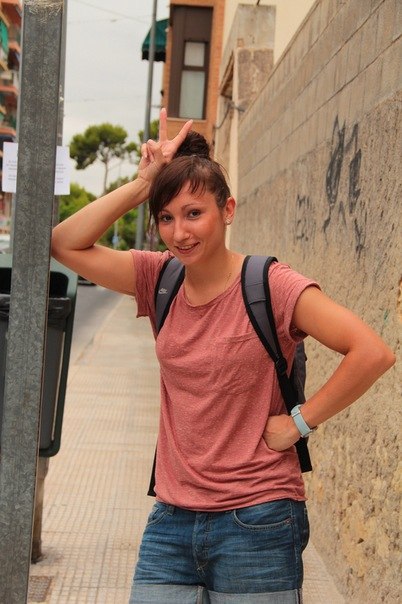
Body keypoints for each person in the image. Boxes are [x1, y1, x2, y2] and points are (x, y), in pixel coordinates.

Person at [52, 109, 395, 604]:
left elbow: (371, 351)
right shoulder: (159, 279)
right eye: (166, 217)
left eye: (194, 213)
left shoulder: (270, 285)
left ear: (227, 209)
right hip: (171, 519)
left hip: (258, 518)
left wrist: (300, 423)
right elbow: (64, 243)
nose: (179, 233)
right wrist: (143, 184)